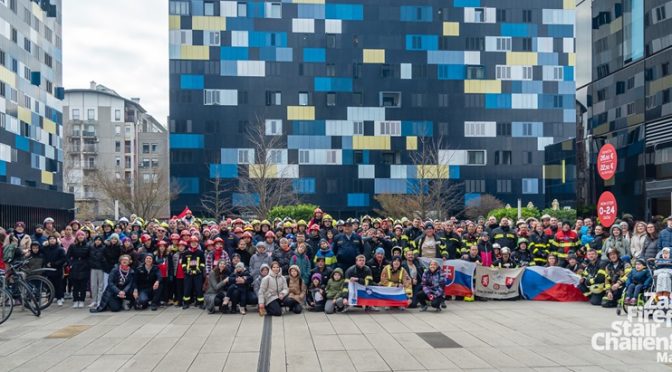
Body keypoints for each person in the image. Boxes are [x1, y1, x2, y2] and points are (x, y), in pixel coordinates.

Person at [67, 231, 90, 308]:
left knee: (83, 285)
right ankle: (75, 300)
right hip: (75, 266)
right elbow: (68, 256)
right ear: (76, 237)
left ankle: (82, 300)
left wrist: (87, 264)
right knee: (75, 285)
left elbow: (90, 256)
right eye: (79, 235)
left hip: (84, 266)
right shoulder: (72, 246)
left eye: (82, 235)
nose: (80, 237)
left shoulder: (88, 246)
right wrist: (70, 264)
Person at [182, 237, 206, 309]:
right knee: (187, 288)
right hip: (188, 274)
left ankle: (200, 303)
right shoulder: (186, 253)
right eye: (192, 242)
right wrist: (186, 270)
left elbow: (202, 263)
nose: (194, 243)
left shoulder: (200, 252)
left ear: (197, 243)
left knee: (199, 289)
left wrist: (199, 270)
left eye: (195, 242)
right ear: (190, 243)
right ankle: (186, 303)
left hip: (198, 274)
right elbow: (183, 263)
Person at [43, 235, 66, 306]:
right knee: (49, 285)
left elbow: (63, 259)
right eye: (50, 239)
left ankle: (59, 298)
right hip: (48, 270)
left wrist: (54, 264)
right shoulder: (46, 248)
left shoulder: (60, 249)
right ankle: (50, 298)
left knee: (58, 285)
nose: (52, 240)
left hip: (57, 270)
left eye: (53, 239)